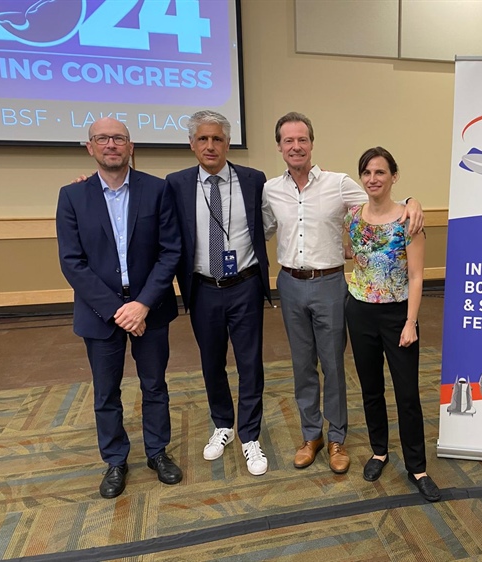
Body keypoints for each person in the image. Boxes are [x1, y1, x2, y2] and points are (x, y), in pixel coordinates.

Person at [263, 113, 424, 474]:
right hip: (289, 283)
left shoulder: (337, 184)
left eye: (302, 139)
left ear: (312, 143)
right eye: (288, 141)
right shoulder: (270, 190)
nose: (296, 147)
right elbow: (264, 227)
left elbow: (378, 199)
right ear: (279, 146)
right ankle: (311, 436)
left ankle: (337, 438)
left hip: (330, 285)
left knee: (334, 365)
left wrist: (413, 201)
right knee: (302, 365)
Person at [56, 117, 182, 498]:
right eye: (102, 138)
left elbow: (170, 252)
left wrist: (141, 305)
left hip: (150, 309)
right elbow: (72, 262)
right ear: (90, 147)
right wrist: (117, 310)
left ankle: (157, 452)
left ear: (131, 146)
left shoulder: (157, 190)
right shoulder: (72, 196)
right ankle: (115, 460)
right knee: (106, 392)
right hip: (100, 314)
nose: (110, 144)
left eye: (118, 138)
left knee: (154, 385)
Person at [165, 110, 271, 476]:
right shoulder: (176, 184)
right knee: (212, 362)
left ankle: (250, 434)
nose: (210, 146)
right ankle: (223, 423)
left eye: (217, 139)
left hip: (245, 285)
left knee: (250, 363)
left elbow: (273, 220)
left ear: (227, 143)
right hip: (203, 288)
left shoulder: (253, 180)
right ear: (192, 144)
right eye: (203, 139)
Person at [343, 146, 441, 501]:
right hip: (360, 311)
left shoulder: (408, 221)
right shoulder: (353, 217)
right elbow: (351, 253)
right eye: (367, 172)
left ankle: (418, 467)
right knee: (371, 389)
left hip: (399, 315)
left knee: (407, 393)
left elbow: (416, 276)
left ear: (394, 176)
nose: (373, 179)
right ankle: (379, 451)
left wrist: (411, 322)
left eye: (380, 172)